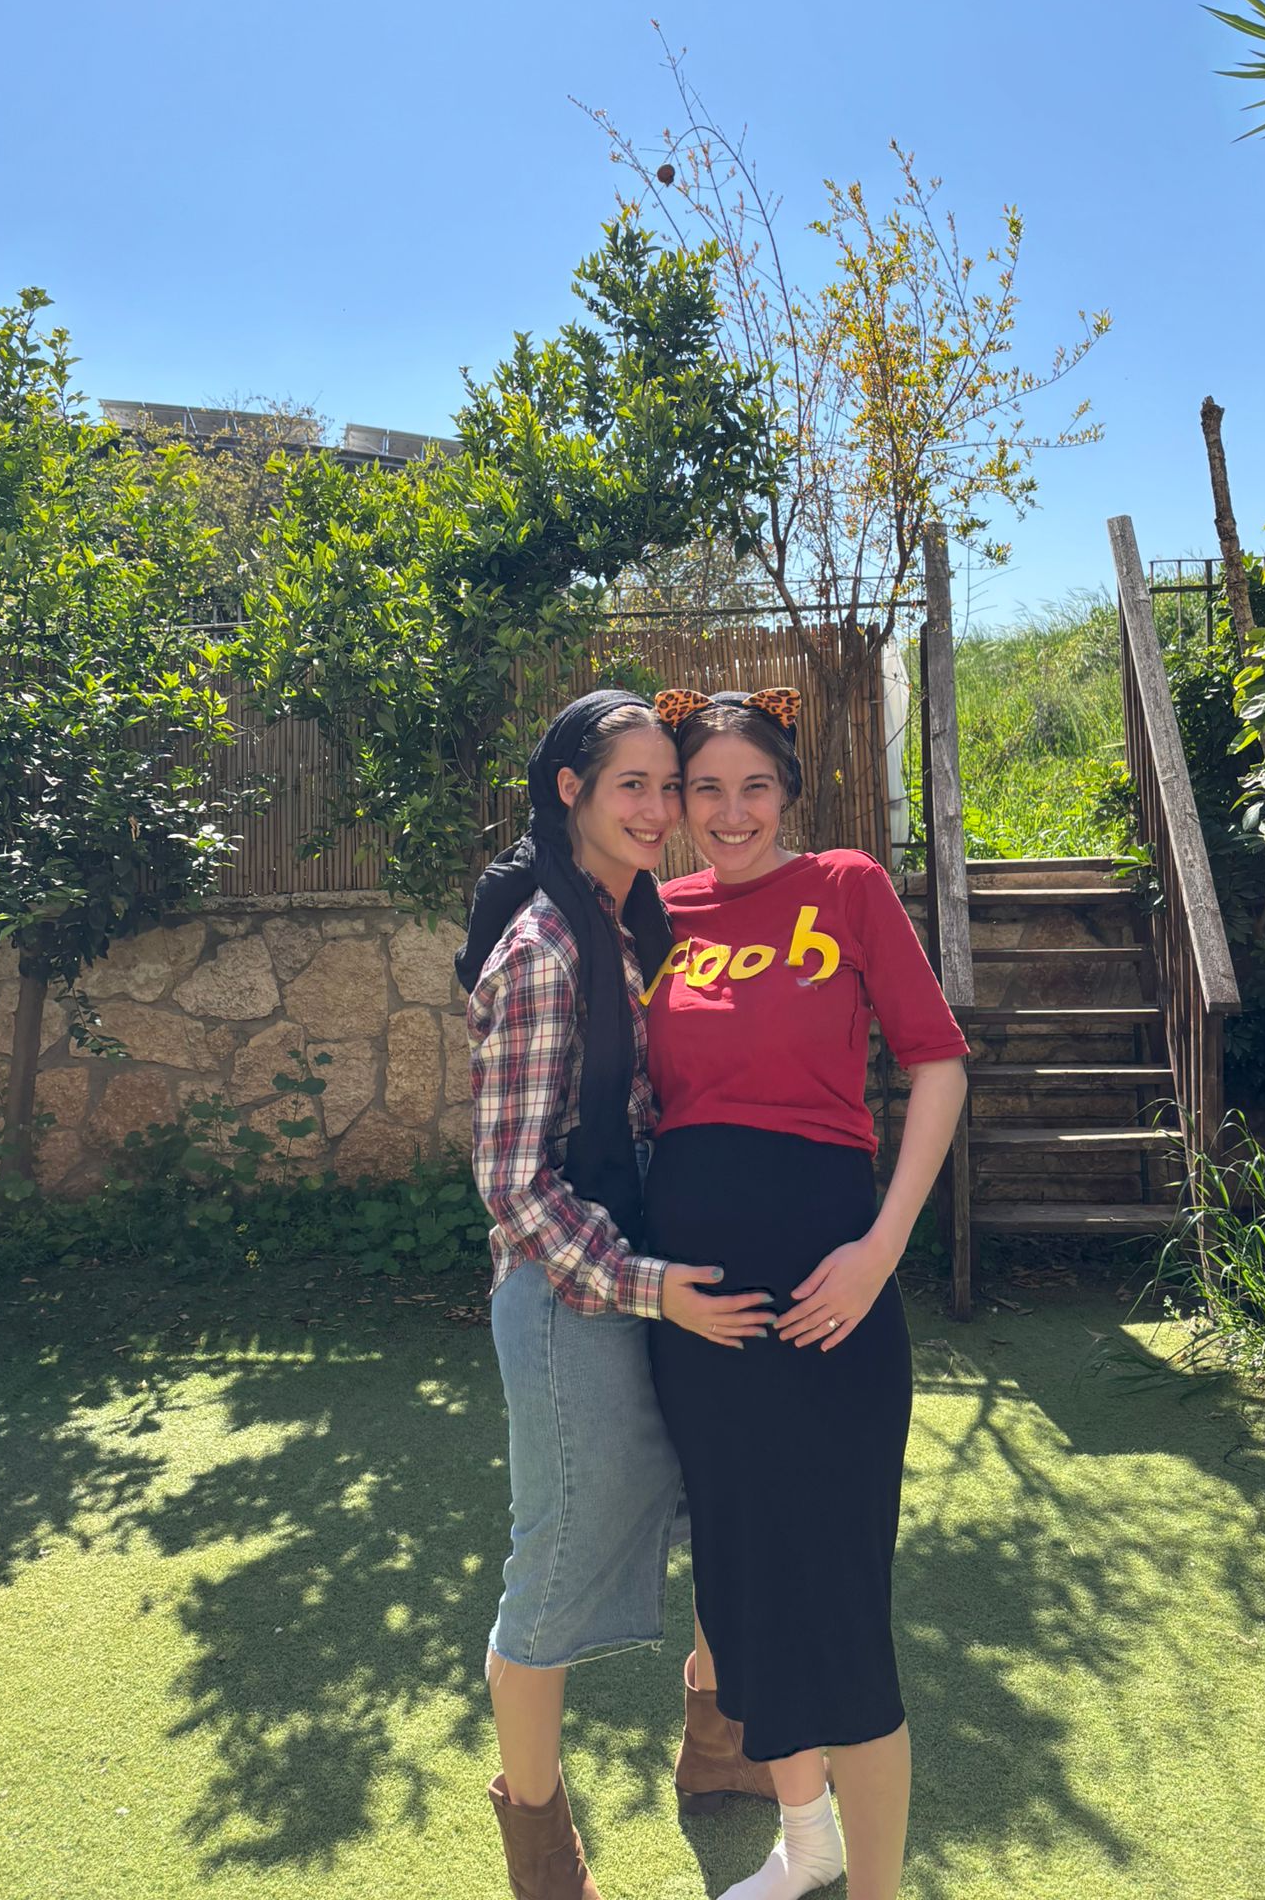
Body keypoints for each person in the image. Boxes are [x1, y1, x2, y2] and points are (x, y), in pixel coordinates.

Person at [642, 687, 969, 1900]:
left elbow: (937, 1062)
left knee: (838, 1609)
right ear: (678, 801)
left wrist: (883, 1247)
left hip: (833, 1289)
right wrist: (653, 1286)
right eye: (706, 788)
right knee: (736, 1584)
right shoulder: (650, 915)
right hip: (696, 1310)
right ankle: (805, 1836)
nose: (730, 813)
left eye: (754, 787)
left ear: (788, 793)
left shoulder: (846, 886)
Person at [458, 690, 778, 1900]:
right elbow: (512, 1185)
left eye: (666, 784)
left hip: (653, 1273)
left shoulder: (639, 923)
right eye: (630, 784)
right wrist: (652, 1287)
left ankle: (719, 1741)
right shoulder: (545, 946)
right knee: (554, 1566)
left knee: (715, 1498)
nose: (657, 808)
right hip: (573, 1298)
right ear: (571, 791)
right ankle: (542, 1849)